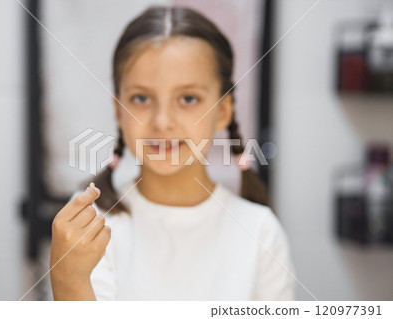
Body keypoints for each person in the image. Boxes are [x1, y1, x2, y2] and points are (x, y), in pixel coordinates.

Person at [50, 5, 296, 301]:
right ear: (119, 110)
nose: (162, 121)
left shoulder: (261, 232)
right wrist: (68, 280)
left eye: (188, 98)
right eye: (141, 98)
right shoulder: (92, 226)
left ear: (223, 110)